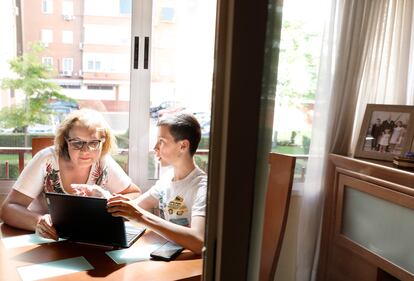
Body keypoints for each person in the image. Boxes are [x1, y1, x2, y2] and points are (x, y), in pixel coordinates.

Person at [0, 108, 141, 240]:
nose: (85, 150)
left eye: (93, 142)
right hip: (48, 240)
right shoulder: (46, 159)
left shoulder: (103, 161)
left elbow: (135, 193)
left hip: (90, 239)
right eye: (77, 143)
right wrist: (38, 221)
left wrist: (109, 201)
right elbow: (8, 209)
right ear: (65, 141)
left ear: (103, 142)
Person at [107, 113, 207, 254]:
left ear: (183, 146)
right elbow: (134, 208)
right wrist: (103, 198)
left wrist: (141, 216)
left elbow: (199, 242)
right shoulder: (166, 180)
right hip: (168, 253)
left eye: (162, 141)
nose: (155, 147)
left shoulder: (202, 188)